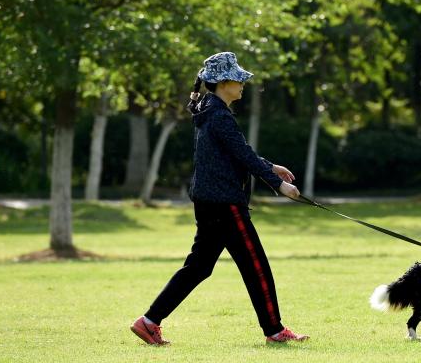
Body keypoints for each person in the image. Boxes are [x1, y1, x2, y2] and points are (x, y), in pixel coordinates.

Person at [131, 51, 308, 345]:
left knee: (199, 267)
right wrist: (278, 184)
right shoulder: (218, 115)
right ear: (223, 82)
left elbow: (238, 151)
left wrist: (271, 167)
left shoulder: (209, 111)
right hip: (226, 205)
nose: (242, 84)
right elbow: (242, 154)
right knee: (256, 266)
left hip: (208, 202)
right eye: (238, 79)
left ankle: (148, 322)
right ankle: (275, 331)